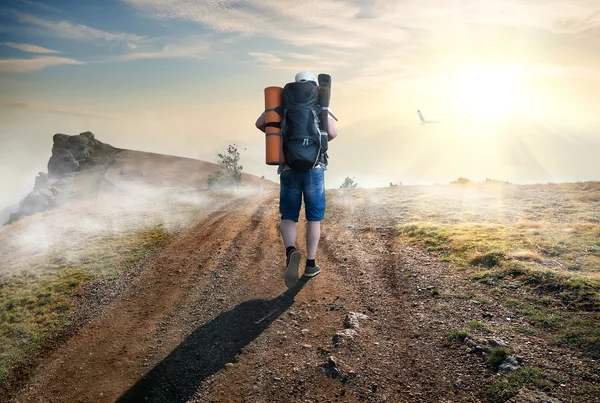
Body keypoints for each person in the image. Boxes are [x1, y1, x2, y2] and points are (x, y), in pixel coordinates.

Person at [255, 70, 338, 288]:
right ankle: (311, 264)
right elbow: (332, 133)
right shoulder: (321, 105)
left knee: (289, 216)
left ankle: (291, 250)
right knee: (313, 217)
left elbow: (260, 123)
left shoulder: (284, 103)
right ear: (313, 86)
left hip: (289, 167)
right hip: (315, 168)